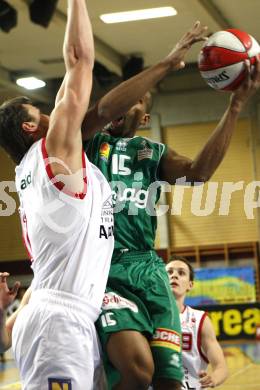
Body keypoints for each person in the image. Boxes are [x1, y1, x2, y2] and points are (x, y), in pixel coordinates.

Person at [84, 39, 260, 390]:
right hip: (106, 268)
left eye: (134, 100)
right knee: (136, 371)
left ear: (145, 116)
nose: (123, 102)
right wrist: (162, 65)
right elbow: (104, 109)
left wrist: (236, 106)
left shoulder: (152, 151)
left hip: (149, 268)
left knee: (170, 378)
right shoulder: (86, 143)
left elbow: (198, 174)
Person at [0, 1, 114, 389]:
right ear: (32, 126)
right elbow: (80, 60)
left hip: (61, 314)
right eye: (42, 110)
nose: (56, 112)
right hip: (59, 322)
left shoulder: (33, 166)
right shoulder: (55, 150)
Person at [166, 257, 228, 389]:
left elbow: (221, 366)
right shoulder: (147, 316)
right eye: (169, 272)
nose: (174, 275)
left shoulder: (200, 320)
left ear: (190, 285)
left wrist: (214, 377)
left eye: (181, 273)